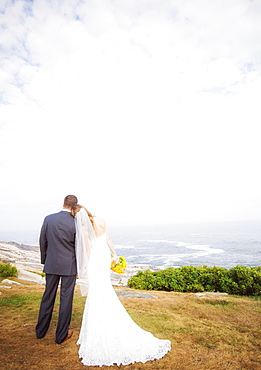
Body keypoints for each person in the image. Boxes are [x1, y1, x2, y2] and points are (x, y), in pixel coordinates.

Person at [72, 204, 171, 367]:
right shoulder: (101, 220)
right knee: (104, 289)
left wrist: (81, 268)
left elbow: (87, 250)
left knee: (97, 291)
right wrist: (114, 254)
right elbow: (108, 239)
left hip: (94, 261)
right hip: (104, 257)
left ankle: (99, 328)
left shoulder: (84, 227)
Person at [36, 195, 78, 344]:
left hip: (51, 263)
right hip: (69, 266)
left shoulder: (49, 219)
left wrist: (45, 261)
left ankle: (40, 331)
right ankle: (61, 336)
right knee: (66, 299)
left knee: (48, 295)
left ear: (63, 204)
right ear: (74, 207)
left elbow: (43, 241)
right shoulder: (76, 222)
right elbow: (79, 247)